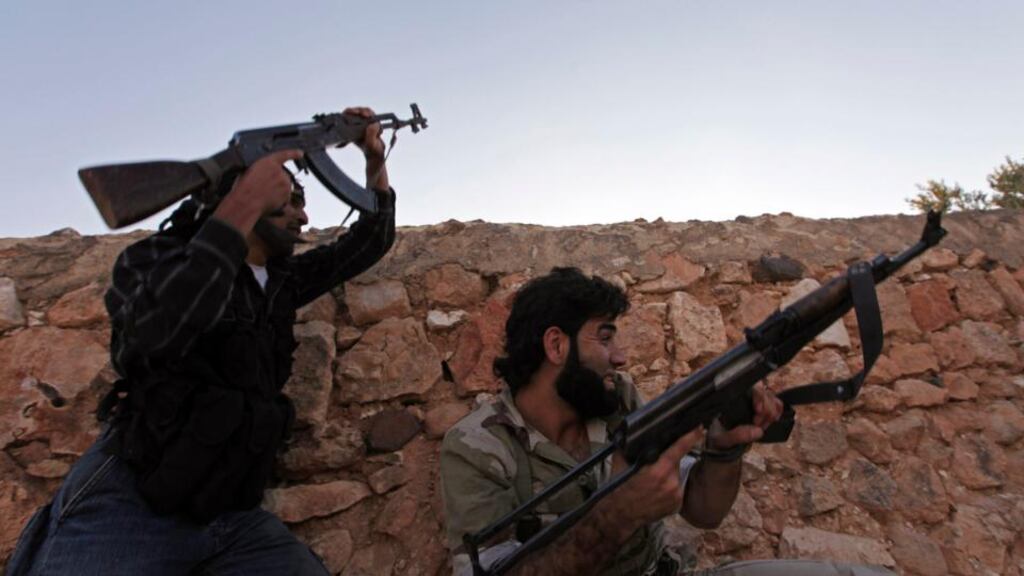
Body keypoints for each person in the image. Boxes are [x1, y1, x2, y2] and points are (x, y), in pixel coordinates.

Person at [8, 107, 395, 576]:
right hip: (133, 498)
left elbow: (369, 242)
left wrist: (373, 160)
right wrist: (243, 202)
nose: (303, 214)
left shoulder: (280, 280)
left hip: (229, 511)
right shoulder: (157, 258)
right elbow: (154, 334)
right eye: (289, 199)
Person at [440, 267, 895, 576]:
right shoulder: (478, 446)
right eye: (605, 337)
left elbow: (704, 512)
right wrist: (618, 516)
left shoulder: (616, 400)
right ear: (556, 346)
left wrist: (723, 450)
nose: (621, 357)